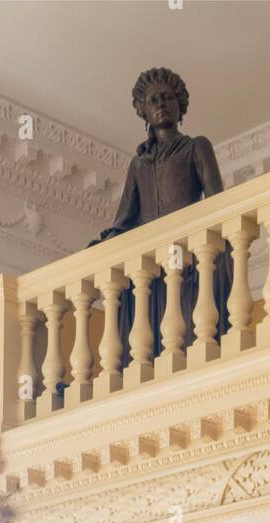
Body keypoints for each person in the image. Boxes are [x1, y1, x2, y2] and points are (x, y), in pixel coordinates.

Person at [90, 66, 231, 359]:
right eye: (153, 100)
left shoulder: (195, 147)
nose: (160, 105)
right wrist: (105, 242)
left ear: (180, 107)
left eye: (167, 98)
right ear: (143, 111)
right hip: (152, 272)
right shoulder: (138, 164)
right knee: (152, 347)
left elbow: (219, 204)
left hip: (189, 262)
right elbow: (125, 218)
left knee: (189, 338)